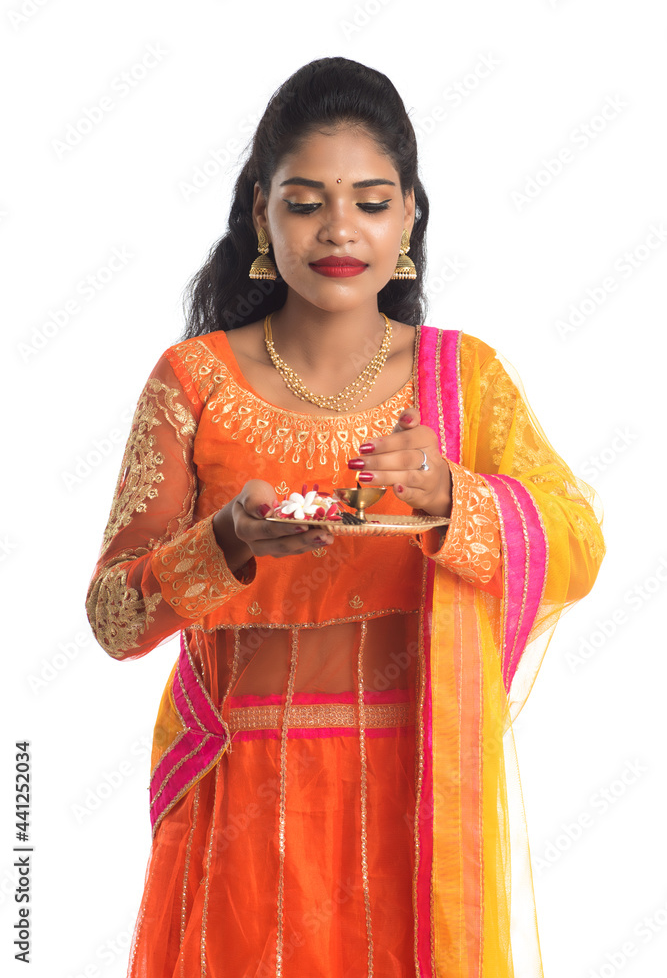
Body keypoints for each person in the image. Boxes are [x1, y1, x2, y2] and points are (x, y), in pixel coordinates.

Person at [86, 57, 605, 978]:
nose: (338, 231)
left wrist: (457, 497)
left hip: (417, 801)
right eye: (303, 202)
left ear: (408, 215)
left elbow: (576, 544)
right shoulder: (193, 382)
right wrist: (225, 545)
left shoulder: (465, 378)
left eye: (369, 202)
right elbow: (113, 619)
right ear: (259, 214)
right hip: (240, 803)